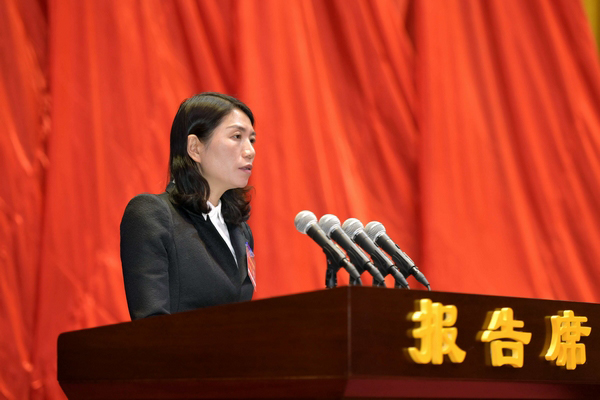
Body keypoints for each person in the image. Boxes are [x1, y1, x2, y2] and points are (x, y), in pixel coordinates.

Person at [120, 92, 256, 320]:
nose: (250, 151)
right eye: (236, 136)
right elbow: (150, 324)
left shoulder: (240, 230)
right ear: (195, 148)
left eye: (251, 140)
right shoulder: (152, 215)